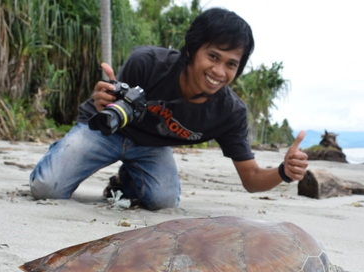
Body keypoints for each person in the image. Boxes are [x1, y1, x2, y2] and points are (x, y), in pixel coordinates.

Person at [29, 8, 308, 210]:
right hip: (105, 131)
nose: (219, 71)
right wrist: (106, 99)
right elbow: (113, 101)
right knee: (45, 189)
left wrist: (283, 171)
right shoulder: (148, 63)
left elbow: (251, 179)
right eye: (213, 56)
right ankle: (63, 151)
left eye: (231, 64)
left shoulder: (230, 113)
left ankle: (124, 180)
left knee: (163, 202)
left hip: (151, 146)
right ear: (191, 50)